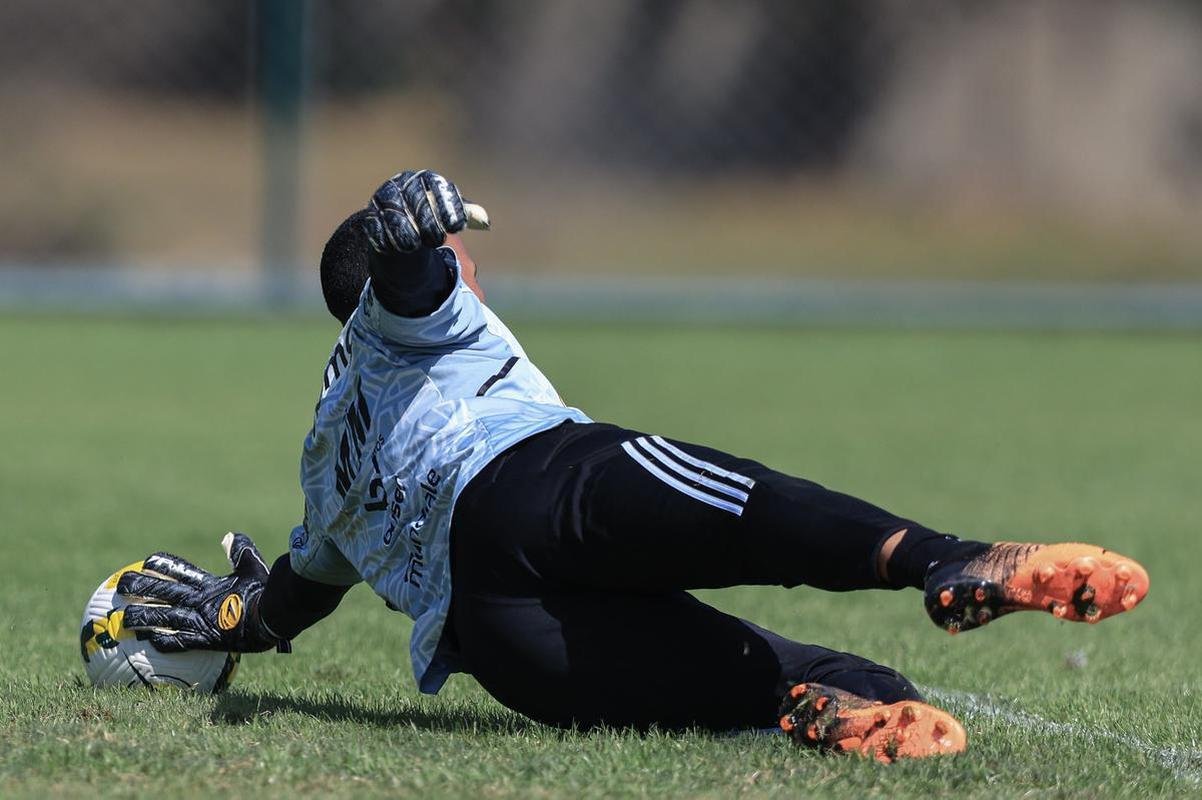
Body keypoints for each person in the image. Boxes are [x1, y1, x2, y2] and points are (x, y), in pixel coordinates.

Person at [116, 169, 1150, 763]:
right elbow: (404, 273)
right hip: (537, 486)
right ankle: (947, 558)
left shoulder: (321, 454)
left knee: (760, 677)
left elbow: (298, 590)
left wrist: (233, 620)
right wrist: (408, 225)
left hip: (505, 640)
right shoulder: (413, 312)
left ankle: (850, 709)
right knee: (751, 510)